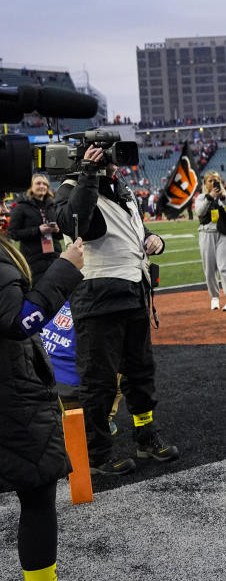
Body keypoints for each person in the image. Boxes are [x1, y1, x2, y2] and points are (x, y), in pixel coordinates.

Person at [54, 146, 179, 476]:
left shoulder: (122, 190)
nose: (113, 167)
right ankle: (97, 455)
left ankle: (145, 436)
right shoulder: (70, 188)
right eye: (107, 162)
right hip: (98, 299)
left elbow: (137, 231)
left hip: (134, 291)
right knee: (99, 381)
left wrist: (156, 241)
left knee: (140, 373)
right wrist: (87, 175)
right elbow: (76, 222)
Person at [2, 192, 84, 581]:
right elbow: (22, 321)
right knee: (37, 498)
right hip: (10, 393)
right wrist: (66, 268)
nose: (4, 207)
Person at [194, 171, 226, 312]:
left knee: (224, 267)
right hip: (206, 234)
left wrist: (223, 199)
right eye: (210, 181)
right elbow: (199, 212)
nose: (213, 183)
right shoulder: (201, 197)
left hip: (224, 234)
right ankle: (214, 297)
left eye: (216, 180)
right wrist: (210, 197)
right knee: (209, 269)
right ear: (205, 183)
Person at [7, 174, 64, 280]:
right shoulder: (21, 207)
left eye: (44, 184)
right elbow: (13, 234)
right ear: (31, 187)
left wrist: (57, 230)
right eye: (38, 183)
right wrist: (38, 230)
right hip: (32, 260)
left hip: (54, 258)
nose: (42, 186)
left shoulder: (53, 206)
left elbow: (60, 236)